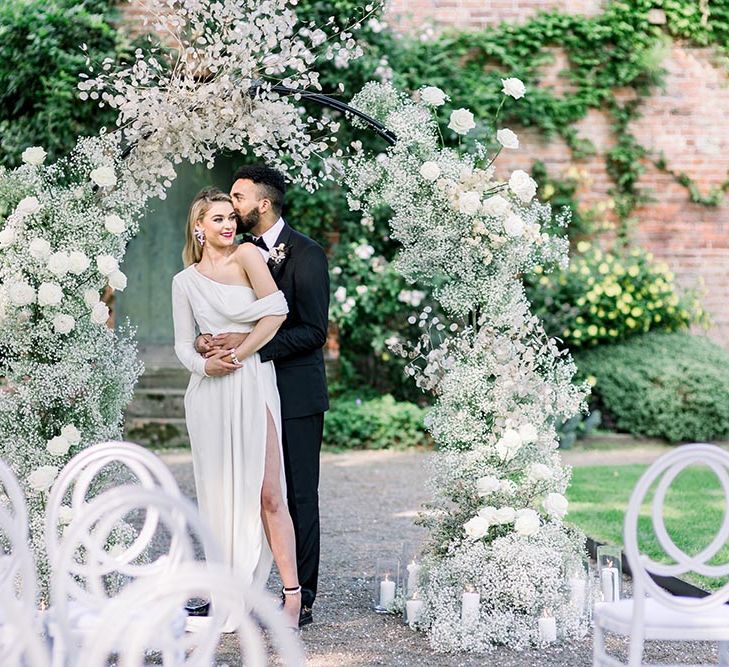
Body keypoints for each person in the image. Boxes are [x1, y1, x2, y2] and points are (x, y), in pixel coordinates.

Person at [195, 165, 329, 628]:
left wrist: (246, 347)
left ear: (263, 204)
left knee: (294, 495)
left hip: (294, 392)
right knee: (240, 490)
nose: (232, 207)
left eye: (239, 197)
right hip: (244, 390)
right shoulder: (237, 253)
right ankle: (235, 590)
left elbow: (312, 331)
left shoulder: (308, 254)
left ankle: (301, 596)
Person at [171, 187, 301, 630]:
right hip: (209, 394)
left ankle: (291, 594)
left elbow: (276, 311)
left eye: (231, 216)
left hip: (251, 382)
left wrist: (239, 350)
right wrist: (205, 362)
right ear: (199, 227)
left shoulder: (247, 256)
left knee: (268, 492)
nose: (229, 225)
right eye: (218, 219)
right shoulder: (183, 282)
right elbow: (182, 346)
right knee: (218, 496)